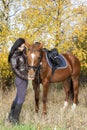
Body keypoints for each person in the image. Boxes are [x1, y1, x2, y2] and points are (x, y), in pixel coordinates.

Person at [8, 38, 28, 124]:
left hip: (24, 79)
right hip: (20, 79)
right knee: (21, 99)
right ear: (18, 46)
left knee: (17, 98)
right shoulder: (14, 56)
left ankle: (11, 117)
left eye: (24, 46)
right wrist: (26, 77)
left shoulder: (22, 53)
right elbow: (15, 70)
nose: (23, 48)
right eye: (22, 46)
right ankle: (15, 121)